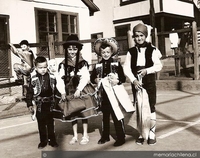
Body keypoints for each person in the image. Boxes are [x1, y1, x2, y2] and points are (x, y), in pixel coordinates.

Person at [123, 23, 163, 145]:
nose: (139, 38)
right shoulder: (131, 52)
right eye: (136, 36)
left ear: (145, 36)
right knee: (139, 107)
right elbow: (126, 68)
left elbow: (158, 65)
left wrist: (147, 70)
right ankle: (141, 133)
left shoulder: (153, 49)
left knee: (150, 106)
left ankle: (151, 133)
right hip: (137, 83)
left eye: (141, 35)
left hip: (149, 82)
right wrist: (133, 80)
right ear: (133, 38)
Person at [56, 34, 99, 145]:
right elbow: (59, 78)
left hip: (81, 88)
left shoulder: (82, 62)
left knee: (83, 112)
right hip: (68, 89)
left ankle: (85, 134)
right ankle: (75, 135)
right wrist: (62, 91)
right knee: (72, 111)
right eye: (69, 49)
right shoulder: (62, 64)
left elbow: (85, 77)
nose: (72, 52)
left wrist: (79, 89)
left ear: (78, 50)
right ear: (66, 50)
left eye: (74, 49)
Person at [90, 38, 132, 147]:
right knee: (105, 116)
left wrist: (117, 80)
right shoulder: (98, 65)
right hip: (103, 94)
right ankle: (105, 136)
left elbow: (123, 78)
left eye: (108, 52)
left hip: (114, 94)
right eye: (103, 52)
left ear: (112, 52)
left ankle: (121, 137)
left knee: (117, 115)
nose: (105, 54)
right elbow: (92, 77)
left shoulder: (116, 64)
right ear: (100, 53)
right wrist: (95, 80)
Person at [26, 56, 58, 149]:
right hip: (40, 105)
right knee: (41, 124)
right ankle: (43, 141)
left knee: (50, 123)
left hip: (50, 104)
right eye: (40, 68)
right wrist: (29, 104)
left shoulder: (52, 76)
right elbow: (29, 92)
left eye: (45, 67)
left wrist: (57, 100)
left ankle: (52, 140)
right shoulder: (34, 79)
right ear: (36, 68)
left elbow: (55, 90)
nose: (43, 70)